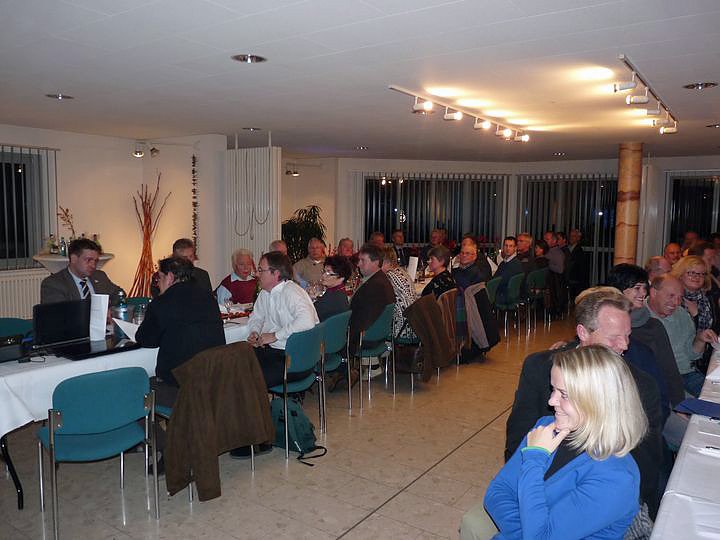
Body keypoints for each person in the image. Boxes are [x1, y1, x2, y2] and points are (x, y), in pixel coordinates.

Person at [505, 289, 664, 517]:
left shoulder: (641, 386)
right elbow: (519, 434)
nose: (625, 345)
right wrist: (523, 488)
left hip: (602, 498)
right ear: (583, 332)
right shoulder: (540, 368)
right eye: (613, 337)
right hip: (542, 483)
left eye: (627, 335)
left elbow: (646, 460)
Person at [480, 346, 646, 540]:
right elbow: (497, 492)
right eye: (553, 389)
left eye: (564, 394)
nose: (551, 401)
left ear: (599, 402)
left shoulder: (616, 478)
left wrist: (534, 459)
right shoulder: (546, 426)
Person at [136, 256, 225, 403]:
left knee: (136, 388)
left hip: (179, 381)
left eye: (159, 278)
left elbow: (145, 340)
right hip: (213, 375)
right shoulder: (208, 297)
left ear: (170, 277)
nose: (157, 283)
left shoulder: (162, 302)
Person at [607, 265, 685, 407]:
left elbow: (670, 370)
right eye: (637, 288)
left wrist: (679, 405)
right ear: (619, 290)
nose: (643, 293)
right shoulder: (605, 324)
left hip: (653, 401)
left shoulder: (653, 326)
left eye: (644, 288)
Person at [246, 251, 319, 389]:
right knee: (238, 362)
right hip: (276, 352)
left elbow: (307, 321)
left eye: (261, 270)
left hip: (297, 359)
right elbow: (256, 317)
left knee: (250, 377)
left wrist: (275, 335)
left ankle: (256, 402)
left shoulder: (291, 291)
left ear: (276, 273)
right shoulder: (264, 293)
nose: (257, 274)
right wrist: (254, 332)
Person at [646, 274, 718, 397]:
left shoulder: (681, 314)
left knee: (714, 396)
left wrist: (700, 339)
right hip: (660, 379)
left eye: (680, 298)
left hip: (687, 373)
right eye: (671, 296)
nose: (676, 303)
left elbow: (692, 354)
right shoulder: (640, 317)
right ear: (653, 293)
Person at [349, 244, 395, 377]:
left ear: (375, 262)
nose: (358, 264)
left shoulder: (374, 286)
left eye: (363, 260)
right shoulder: (380, 279)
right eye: (359, 260)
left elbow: (361, 319)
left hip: (367, 337)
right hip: (379, 334)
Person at [41, 238, 122, 304]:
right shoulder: (54, 283)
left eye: (95, 261)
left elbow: (120, 294)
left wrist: (109, 308)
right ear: (73, 259)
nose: (93, 265)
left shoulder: (99, 276)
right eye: (88, 260)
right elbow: (59, 313)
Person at [382, 246, 418, 340]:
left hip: (402, 329)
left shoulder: (389, 277)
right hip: (414, 325)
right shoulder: (401, 271)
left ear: (387, 262)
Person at [671, 255, 714, 330]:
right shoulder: (672, 299)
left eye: (701, 274)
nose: (697, 277)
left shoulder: (708, 300)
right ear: (680, 274)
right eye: (692, 273)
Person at [313, 255, 351, 322]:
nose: (323, 275)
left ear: (341, 278)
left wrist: (309, 298)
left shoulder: (333, 298)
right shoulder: (339, 291)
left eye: (328, 273)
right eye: (324, 271)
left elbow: (311, 313)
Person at [494, 236, 523, 305]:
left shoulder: (514, 265)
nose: (508, 248)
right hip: (505, 294)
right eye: (506, 245)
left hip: (504, 295)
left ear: (515, 248)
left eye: (511, 246)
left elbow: (500, 281)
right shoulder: (504, 262)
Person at [566, 228, 588, 300]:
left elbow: (581, 269)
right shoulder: (567, 248)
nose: (571, 238)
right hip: (569, 280)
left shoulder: (579, 251)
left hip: (575, 281)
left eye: (574, 236)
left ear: (578, 238)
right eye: (570, 236)